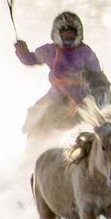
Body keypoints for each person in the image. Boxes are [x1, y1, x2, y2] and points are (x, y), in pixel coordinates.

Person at [15, 10, 104, 138]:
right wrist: (22, 50)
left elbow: (97, 74)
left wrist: (98, 90)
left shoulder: (85, 51)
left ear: (77, 33)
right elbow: (31, 59)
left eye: (71, 32)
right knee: (37, 111)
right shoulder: (50, 50)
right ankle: (33, 140)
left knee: (95, 121)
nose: (68, 35)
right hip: (55, 94)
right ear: (58, 33)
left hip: (81, 96)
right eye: (65, 32)